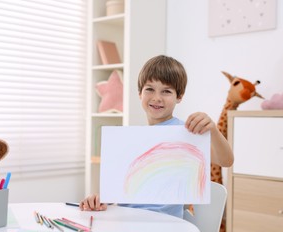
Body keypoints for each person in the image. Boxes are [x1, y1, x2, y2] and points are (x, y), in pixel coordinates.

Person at [80, 55, 234, 218]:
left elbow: (226, 160)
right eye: (150, 89)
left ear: (179, 96)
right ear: (140, 93)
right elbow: (117, 191)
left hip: (166, 224)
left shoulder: (186, 132)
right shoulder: (130, 139)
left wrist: (214, 131)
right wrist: (99, 199)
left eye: (166, 91)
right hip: (127, 220)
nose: (156, 98)